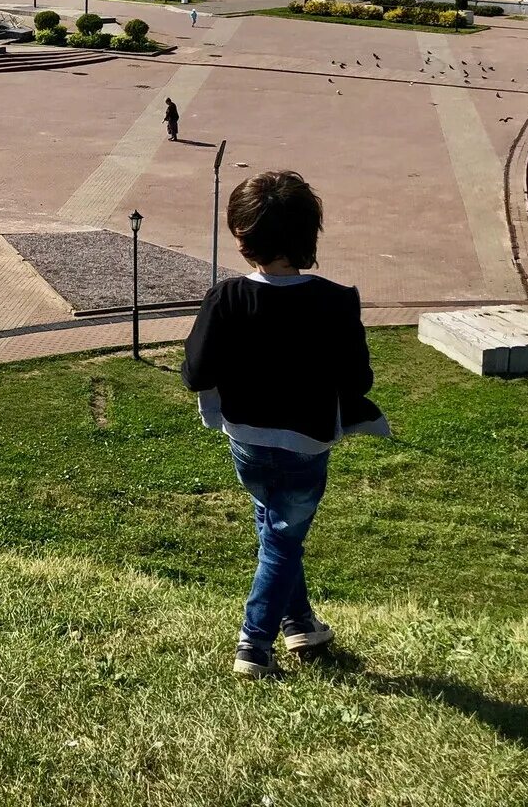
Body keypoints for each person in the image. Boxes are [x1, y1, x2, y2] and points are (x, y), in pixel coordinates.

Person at [181, 171, 387, 679]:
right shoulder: (336, 301)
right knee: (282, 537)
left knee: (274, 528)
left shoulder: (225, 297)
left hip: (246, 442)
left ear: (242, 237)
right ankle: (254, 645)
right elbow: (358, 380)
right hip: (305, 445)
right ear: (309, 234)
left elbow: (196, 373)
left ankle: (300, 623)